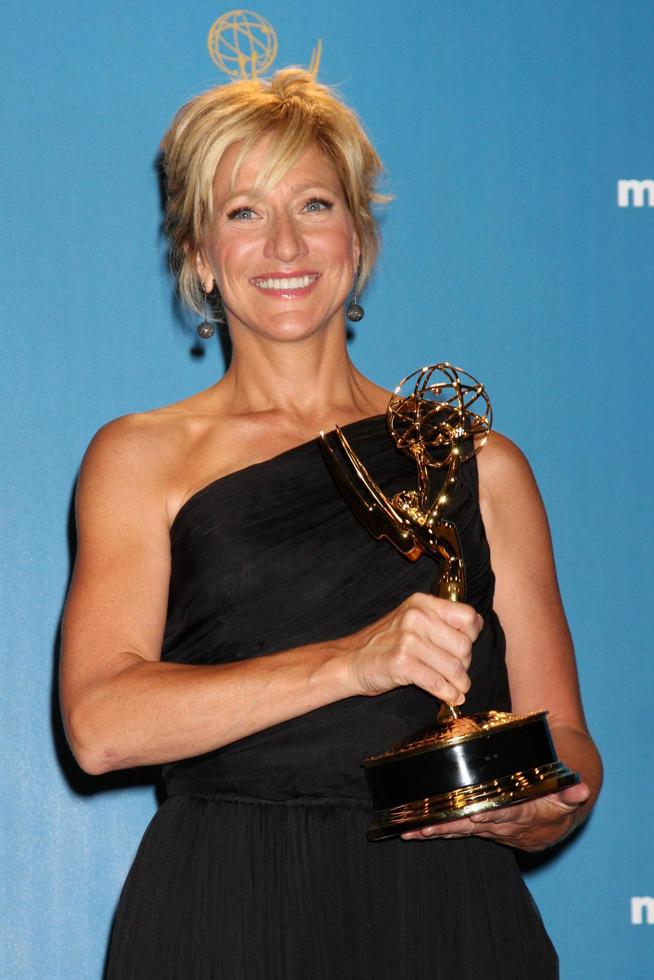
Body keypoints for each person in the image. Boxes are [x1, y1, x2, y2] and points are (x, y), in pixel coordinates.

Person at [60, 69, 602, 979]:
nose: (283, 243)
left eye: (312, 203)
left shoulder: (482, 464)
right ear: (198, 252)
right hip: (226, 904)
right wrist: (353, 662)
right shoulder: (138, 458)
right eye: (242, 212)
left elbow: (567, 741)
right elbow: (101, 725)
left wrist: (543, 807)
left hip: (448, 909)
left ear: (358, 239)